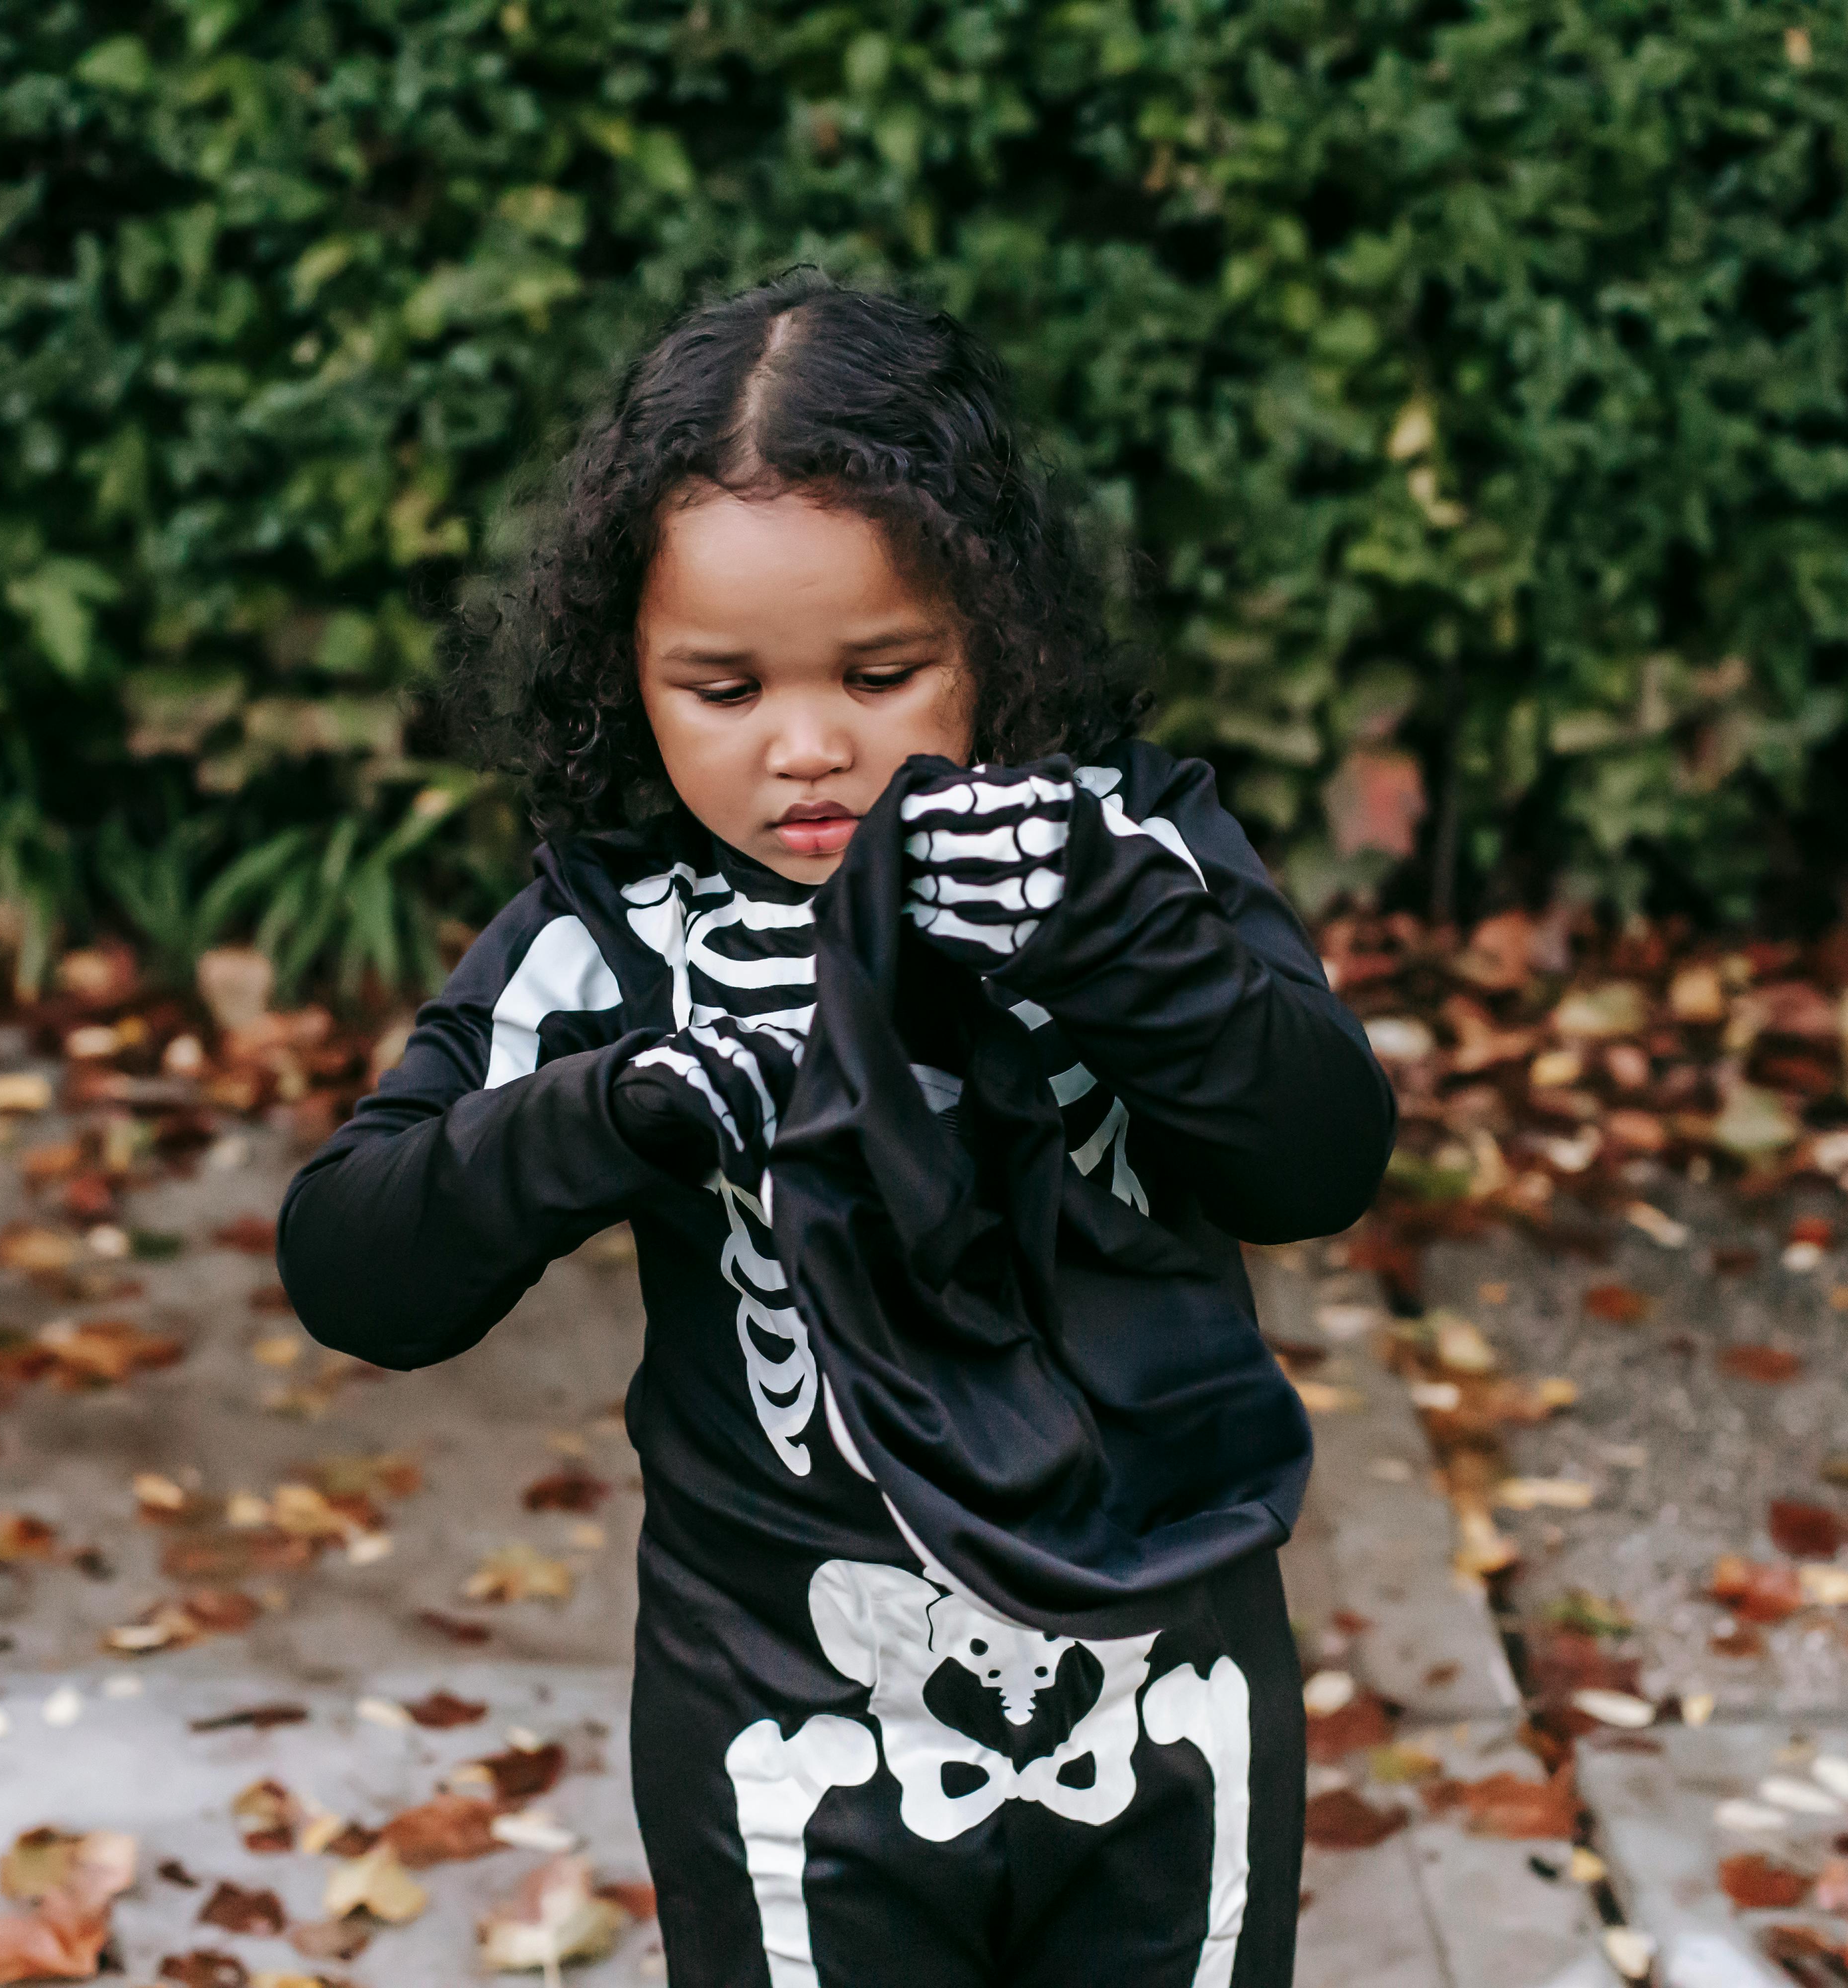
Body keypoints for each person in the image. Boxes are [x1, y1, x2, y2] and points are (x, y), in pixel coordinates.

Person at [277, 269, 1396, 1988]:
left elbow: (1318, 1160)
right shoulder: (612, 938)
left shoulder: (1133, 850)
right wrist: (603, 1113)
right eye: (722, 691)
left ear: (993, 631)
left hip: (1167, 1677)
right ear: (624, 672)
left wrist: (1116, 941)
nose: (810, 751)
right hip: (788, 1718)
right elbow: (358, 1263)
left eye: (883, 673)